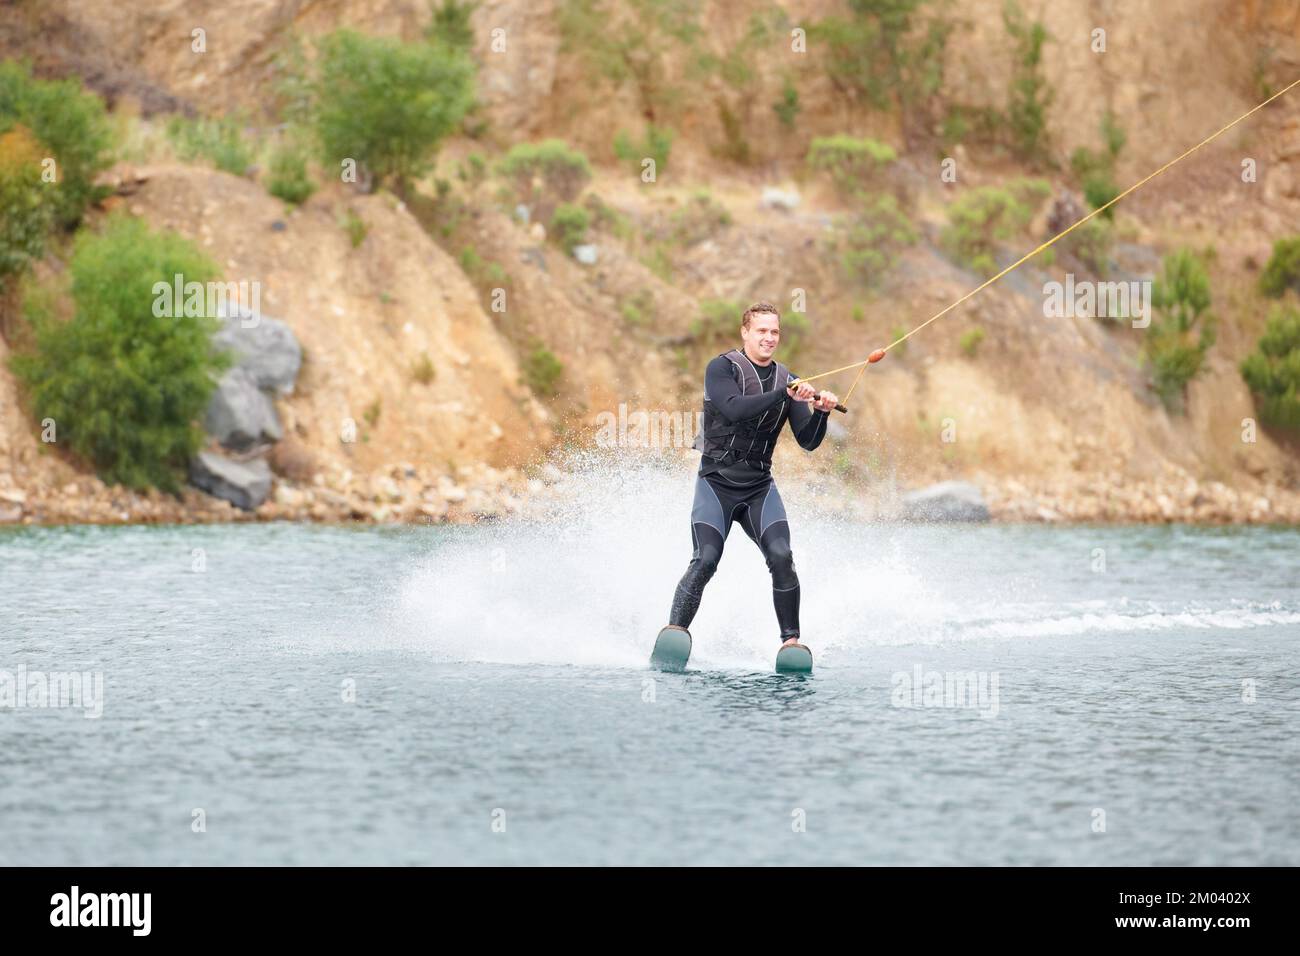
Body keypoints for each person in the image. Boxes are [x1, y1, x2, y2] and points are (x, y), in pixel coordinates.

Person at [664, 301, 839, 652]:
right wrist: (784, 393)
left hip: (759, 487)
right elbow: (732, 409)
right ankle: (675, 632)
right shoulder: (721, 369)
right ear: (745, 332)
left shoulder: (788, 380)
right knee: (706, 559)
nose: (769, 337)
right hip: (716, 483)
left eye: (775, 331)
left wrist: (819, 413)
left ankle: (791, 643)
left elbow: (807, 441)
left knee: (782, 556)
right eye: (762, 330)